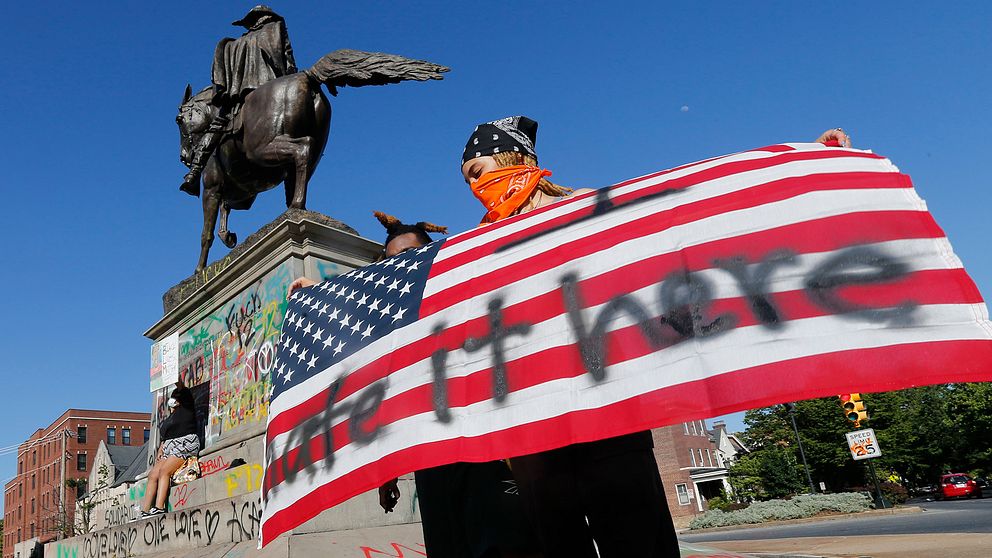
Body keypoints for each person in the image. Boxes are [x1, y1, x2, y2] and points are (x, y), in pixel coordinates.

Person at [459, 116, 852, 557]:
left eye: (478, 171)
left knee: (636, 533)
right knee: (557, 542)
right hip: (534, 418)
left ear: (517, 159)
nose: (475, 186)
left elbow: (687, 217)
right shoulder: (477, 247)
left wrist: (799, 167)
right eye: (468, 180)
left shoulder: (591, 206)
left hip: (609, 401)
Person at [288, 212, 542, 558]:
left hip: (484, 446)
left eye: (411, 253)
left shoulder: (459, 290)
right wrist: (318, 296)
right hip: (431, 459)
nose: (403, 263)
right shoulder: (396, 325)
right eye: (393, 259)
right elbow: (386, 388)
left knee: (504, 540)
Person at [180, 5, 298, 196]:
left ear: (251, 22)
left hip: (241, 95)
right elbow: (288, 59)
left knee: (217, 126)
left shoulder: (233, 44)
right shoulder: (276, 29)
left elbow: (221, 77)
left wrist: (226, 94)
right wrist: (291, 82)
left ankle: (193, 173)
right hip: (275, 89)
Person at [139, 382, 199, 517]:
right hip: (169, 446)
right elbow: (164, 436)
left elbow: (182, 387)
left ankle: (159, 507)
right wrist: (161, 449)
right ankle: (145, 510)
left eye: (176, 397)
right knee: (153, 474)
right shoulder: (170, 417)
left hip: (185, 442)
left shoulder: (187, 408)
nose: (174, 399)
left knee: (164, 471)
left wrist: (171, 376)